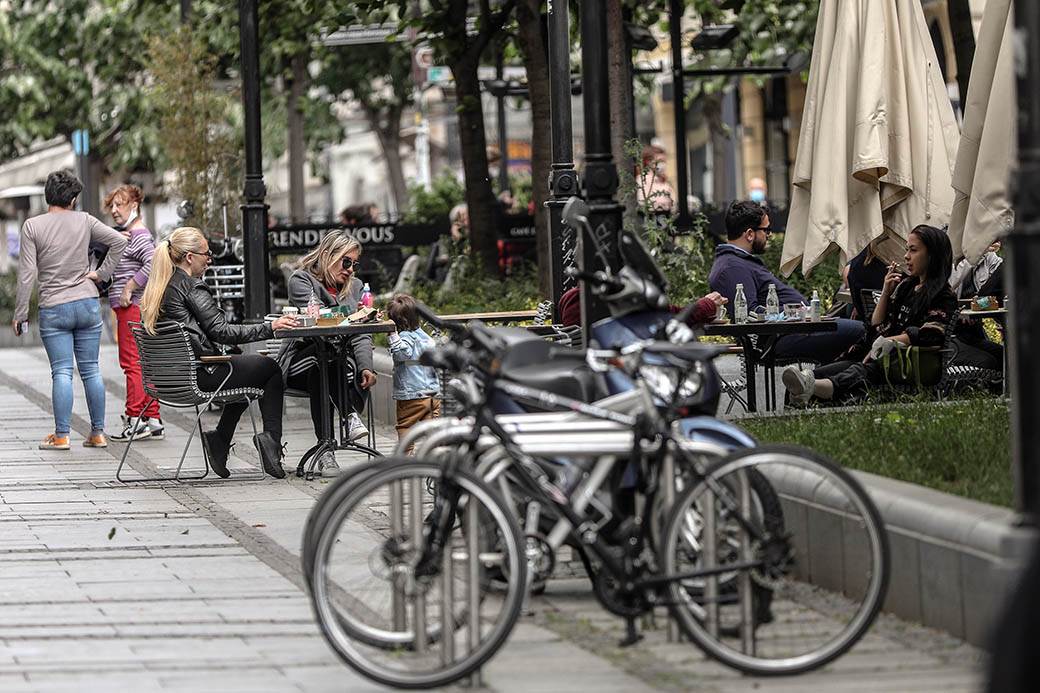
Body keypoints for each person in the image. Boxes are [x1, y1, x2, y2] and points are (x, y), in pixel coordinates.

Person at [140, 226, 297, 478]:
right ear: (190, 257)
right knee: (270, 369)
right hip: (200, 374)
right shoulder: (191, 287)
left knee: (247, 373)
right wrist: (271, 327)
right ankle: (271, 442)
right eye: (206, 253)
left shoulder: (161, 287)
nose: (210, 259)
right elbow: (221, 331)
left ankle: (221, 440)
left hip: (170, 378)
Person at [14, 170, 128, 450]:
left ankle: (62, 436)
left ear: (47, 196)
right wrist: (101, 274)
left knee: (62, 372)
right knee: (91, 370)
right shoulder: (85, 220)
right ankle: (98, 433)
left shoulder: (32, 226)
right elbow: (120, 241)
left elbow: (27, 273)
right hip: (87, 303)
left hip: (54, 307)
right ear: (74, 198)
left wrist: (20, 314)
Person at [782, 225, 958, 404]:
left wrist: (891, 341)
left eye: (913, 250)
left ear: (932, 255)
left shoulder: (944, 295)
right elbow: (877, 325)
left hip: (905, 364)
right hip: (878, 356)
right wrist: (885, 293)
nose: (906, 256)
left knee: (860, 372)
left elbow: (933, 333)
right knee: (814, 375)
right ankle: (800, 401)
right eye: (907, 250)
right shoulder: (906, 287)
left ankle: (817, 388)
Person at [708, 200, 865, 363]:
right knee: (862, 330)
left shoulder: (737, 262)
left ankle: (828, 381)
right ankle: (834, 383)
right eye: (766, 230)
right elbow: (750, 315)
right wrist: (795, 311)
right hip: (782, 338)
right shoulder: (732, 267)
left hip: (796, 330)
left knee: (853, 315)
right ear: (749, 234)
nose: (769, 235)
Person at [276, 232, 376, 476]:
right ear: (329, 256)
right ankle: (348, 417)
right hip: (301, 359)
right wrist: (354, 315)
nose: (351, 269)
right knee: (325, 357)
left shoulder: (356, 287)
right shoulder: (302, 280)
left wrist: (366, 367)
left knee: (330, 363)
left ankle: (327, 449)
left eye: (354, 264)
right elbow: (318, 320)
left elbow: (361, 333)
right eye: (346, 262)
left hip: (336, 365)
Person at [103, 184, 163, 442]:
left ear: (134, 205)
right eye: (113, 206)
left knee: (132, 364)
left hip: (132, 308)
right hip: (135, 308)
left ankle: (136, 418)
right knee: (144, 363)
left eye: (120, 204)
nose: (115, 210)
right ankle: (152, 418)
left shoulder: (138, 234)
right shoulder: (129, 233)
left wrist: (129, 286)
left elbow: (153, 263)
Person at [386, 294, 441, 453]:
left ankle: (406, 460)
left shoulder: (404, 337)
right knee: (434, 431)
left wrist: (392, 334)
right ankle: (436, 461)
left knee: (405, 427)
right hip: (432, 394)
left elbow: (401, 354)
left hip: (411, 396)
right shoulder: (425, 336)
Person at [949, 241, 1005, 373]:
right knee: (990, 361)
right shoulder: (952, 256)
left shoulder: (990, 258)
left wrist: (977, 306)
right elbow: (952, 284)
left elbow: (988, 295)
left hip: (973, 328)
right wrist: (977, 252)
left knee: (1002, 356)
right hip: (952, 331)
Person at [845, 245, 889, 322]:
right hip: (886, 318)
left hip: (866, 317)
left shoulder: (858, 261)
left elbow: (849, 277)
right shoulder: (894, 262)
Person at [636, 144, 675, 213]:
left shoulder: (664, 180)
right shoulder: (642, 180)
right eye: (660, 161)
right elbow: (644, 204)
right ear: (648, 161)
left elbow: (673, 201)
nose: (663, 165)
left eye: (664, 161)